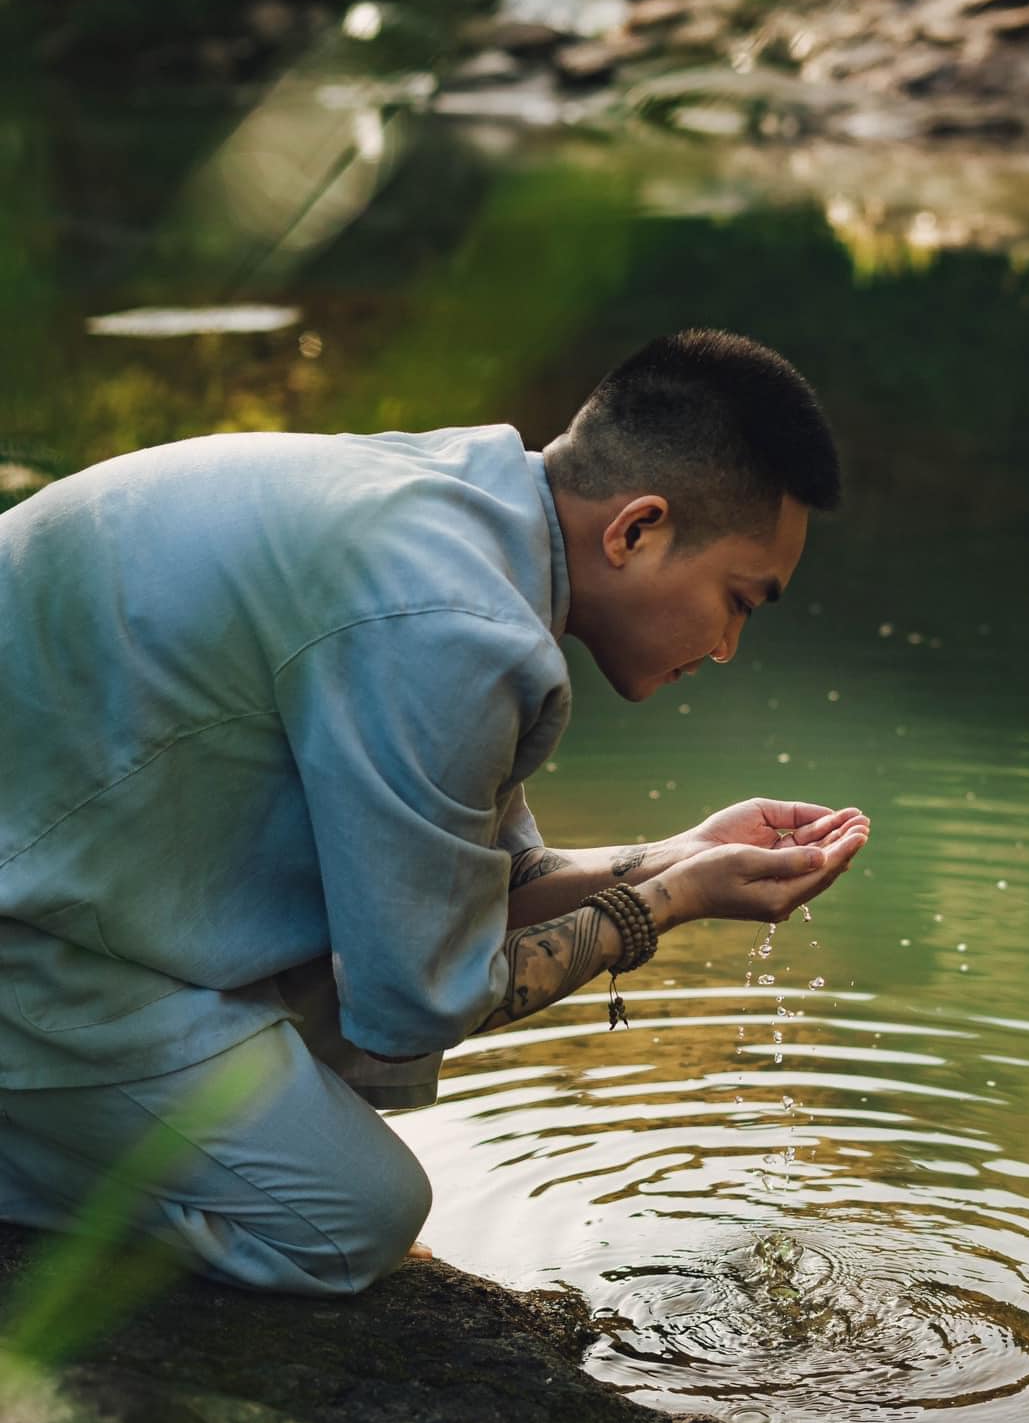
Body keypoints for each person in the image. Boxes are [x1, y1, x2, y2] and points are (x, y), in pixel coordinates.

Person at [0, 329, 868, 1295]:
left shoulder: (467, 515)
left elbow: (472, 885)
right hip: (29, 927)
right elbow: (423, 997)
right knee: (350, 1219)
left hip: (58, 866)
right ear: (637, 529)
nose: (728, 646)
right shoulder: (452, 629)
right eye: (739, 601)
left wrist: (676, 854)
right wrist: (664, 908)